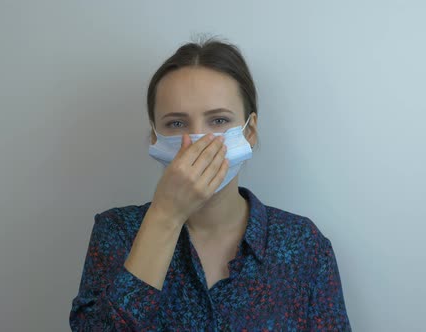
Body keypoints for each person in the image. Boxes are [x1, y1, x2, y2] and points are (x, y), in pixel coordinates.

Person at [69, 36, 352, 331]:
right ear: (155, 137)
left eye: (218, 121)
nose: (196, 142)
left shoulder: (303, 244)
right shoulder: (116, 232)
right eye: (176, 124)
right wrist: (166, 215)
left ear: (250, 131)